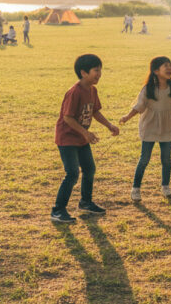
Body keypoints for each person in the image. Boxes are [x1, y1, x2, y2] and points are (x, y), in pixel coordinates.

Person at [51, 54, 120, 224]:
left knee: (89, 169)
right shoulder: (74, 92)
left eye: (100, 70)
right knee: (72, 173)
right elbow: (67, 118)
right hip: (67, 139)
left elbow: (95, 111)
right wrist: (85, 133)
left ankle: (85, 202)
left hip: (81, 138)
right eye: (96, 70)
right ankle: (58, 210)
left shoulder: (92, 90)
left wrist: (109, 125)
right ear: (83, 72)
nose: (99, 74)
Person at [120, 56, 171, 201]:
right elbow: (139, 106)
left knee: (166, 159)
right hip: (150, 126)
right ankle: (136, 188)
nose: (169, 68)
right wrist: (126, 117)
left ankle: (165, 187)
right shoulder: (148, 89)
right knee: (144, 159)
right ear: (155, 71)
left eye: (170, 65)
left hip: (167, 127)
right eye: (165, 66)